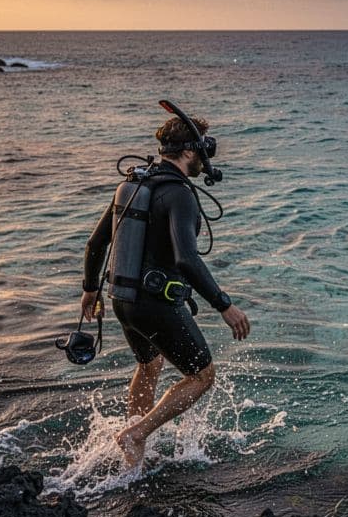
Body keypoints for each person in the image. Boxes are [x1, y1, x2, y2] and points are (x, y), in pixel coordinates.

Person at [80, 113, 251, 470]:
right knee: (202, 376)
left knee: (150, 363)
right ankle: (136, 434)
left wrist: (90, 290)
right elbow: (186, 259)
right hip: (154, 304)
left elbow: (96, 243)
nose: (207, 157)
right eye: (205, 149)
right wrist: (224, 305)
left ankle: (134, 453)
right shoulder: (179, 195)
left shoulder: (134, 186)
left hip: (122, 300)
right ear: (191, 151)